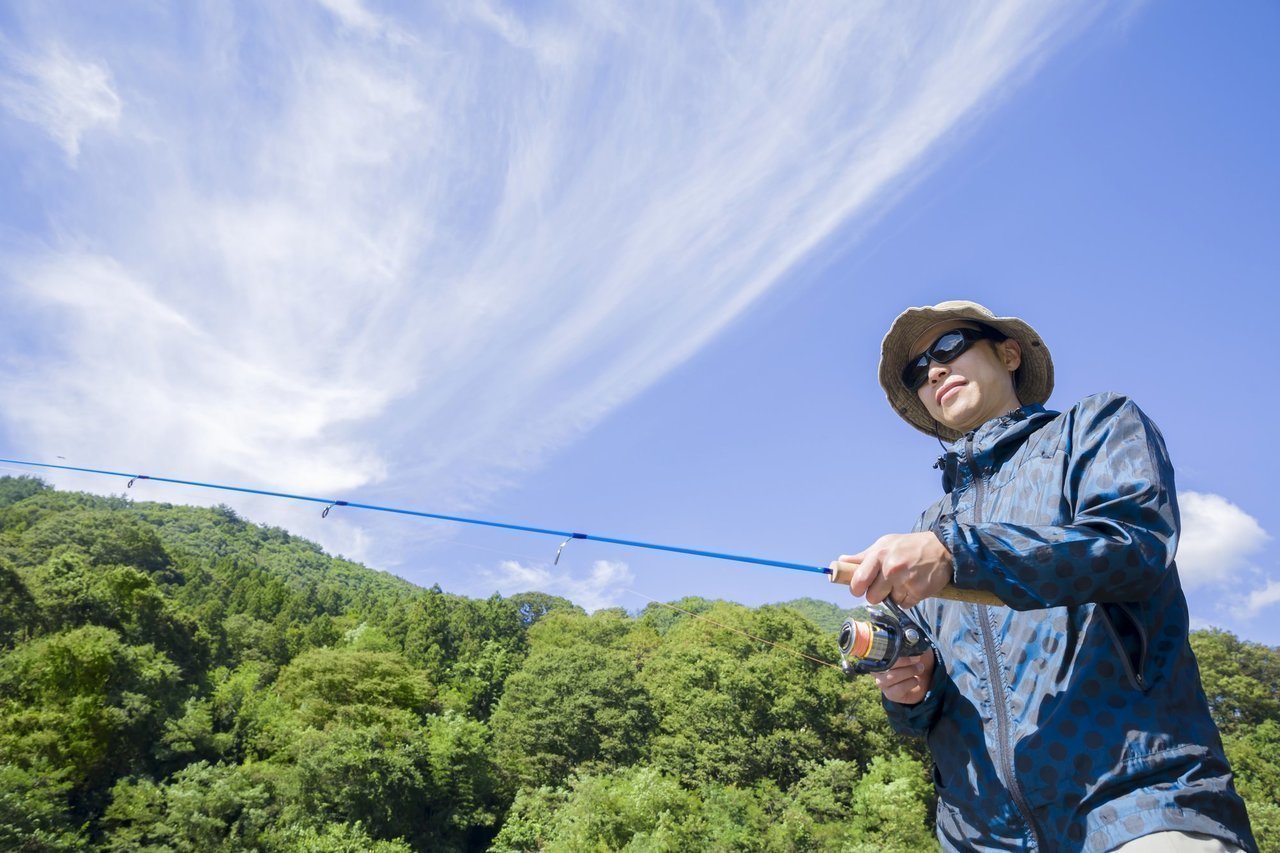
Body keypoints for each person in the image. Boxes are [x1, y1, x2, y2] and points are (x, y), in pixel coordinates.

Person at [830, 301, 1256, 852]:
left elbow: (1133, 543)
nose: (933, 371)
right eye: (917, 372)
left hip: (1137, 803)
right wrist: (910, 692)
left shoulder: (1097, 427)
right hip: (982, 837)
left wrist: (960, 553)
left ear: (1008, 353)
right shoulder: (925, 533)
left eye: (948, 347)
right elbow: (922, 713)